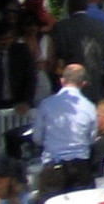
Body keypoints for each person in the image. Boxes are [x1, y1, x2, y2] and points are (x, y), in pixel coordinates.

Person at [33, 63, 97, 193]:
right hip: (81, 167)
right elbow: (91, 139)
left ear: (62, 81)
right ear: (83, 84)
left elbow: (37, 138)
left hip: (54, 167)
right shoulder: (90, 107)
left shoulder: (46, 104)